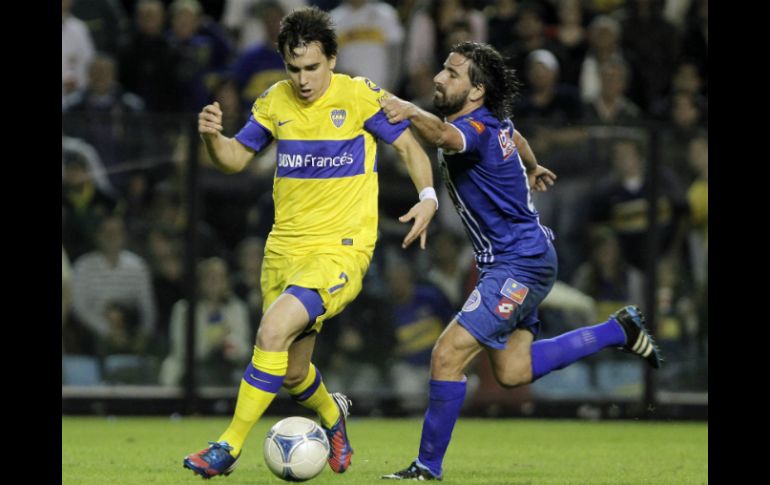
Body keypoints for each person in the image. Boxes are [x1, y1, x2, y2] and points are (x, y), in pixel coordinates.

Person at [378, 41, 661, 481]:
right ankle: (616, 330)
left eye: (452, 73)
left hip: (518, 264)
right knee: (513, 372)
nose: (439, 78)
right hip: (522, 260)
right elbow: (518, 137)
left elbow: (443, 136)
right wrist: (533, 165)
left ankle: (426, 468)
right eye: (443, 70)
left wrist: (407, 110)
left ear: (476, 91)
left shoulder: (473, 128)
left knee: (446, 355)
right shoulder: (496, 122)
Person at [183, 6, 437, 479]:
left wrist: (427, 198)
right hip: (283, 252)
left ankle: (227, 446)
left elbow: (409, 147)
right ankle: (333, 415)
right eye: (294, 68)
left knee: (271, 333)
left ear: (333, 59)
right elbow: (235, 159)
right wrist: (213, 139)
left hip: (340, 249)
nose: (303, 80)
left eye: (313, 68)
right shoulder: (275, 101)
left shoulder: (359, 97)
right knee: (294, 372)